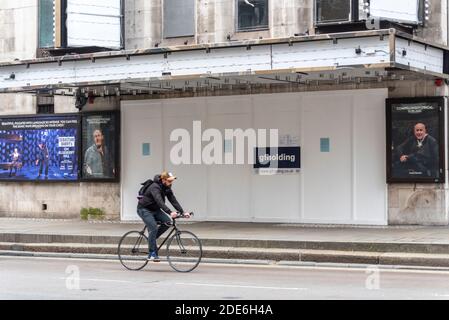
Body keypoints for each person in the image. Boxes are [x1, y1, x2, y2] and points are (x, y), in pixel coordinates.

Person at [137, 171, 190, 262]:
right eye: (169, 181)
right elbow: (159, 201)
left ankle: (152, 238)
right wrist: (169, 212)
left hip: (155, 210)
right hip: (144, 209)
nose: (171, 183)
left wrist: (183, 212)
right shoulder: (155, 187)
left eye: (171, 181)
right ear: (163, 180)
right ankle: (151, 253)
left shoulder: (167, 188)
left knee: (167, 222)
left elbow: (173, 200)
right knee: (153, 227)